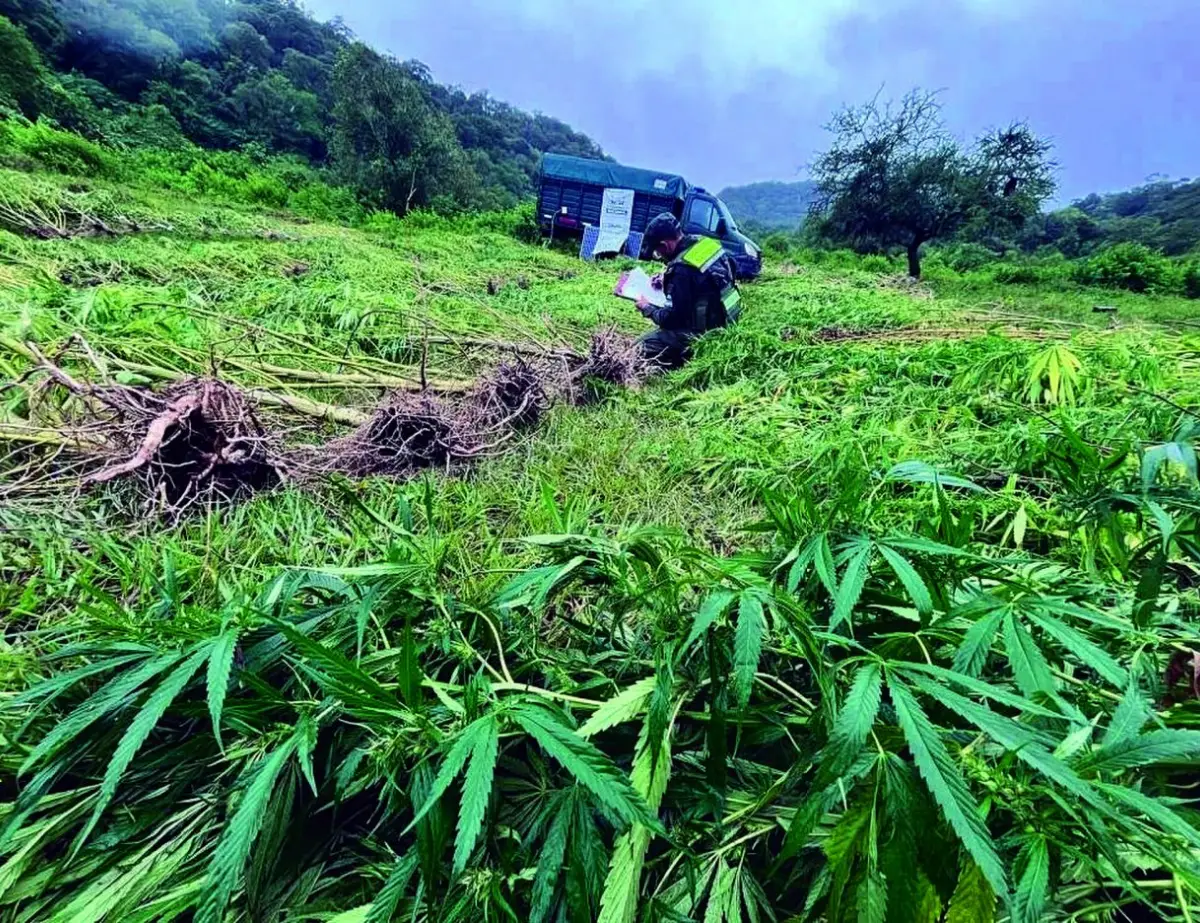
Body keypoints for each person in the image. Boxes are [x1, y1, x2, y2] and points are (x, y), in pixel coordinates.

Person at [635, 213, 741, 369]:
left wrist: (647, 308)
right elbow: (720, 271)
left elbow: (672, 319)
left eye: (658, 251)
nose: (660, 255)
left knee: (638, 348)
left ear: (665, 245)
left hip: (706, 333)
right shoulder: (705, 244)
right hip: (729, 319)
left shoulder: (681, 270)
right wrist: (667, 278)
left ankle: (682, 359)